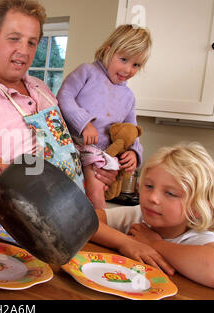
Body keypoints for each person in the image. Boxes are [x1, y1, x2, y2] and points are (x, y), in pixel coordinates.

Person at [0, 0, 116, 205]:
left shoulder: (43, 90)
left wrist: (97, 171)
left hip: (77, 206)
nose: (24, 51)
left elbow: (64, 150)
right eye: (14, 39)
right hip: (18, 223)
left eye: (31, 43)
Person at [91, 143, 214, 288]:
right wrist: (127, 242)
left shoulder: (199, 238)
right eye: (149, 186)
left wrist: (155, 244)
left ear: (197, 209)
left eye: (170, 193)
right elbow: (82, 221)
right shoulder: (136, 215)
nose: (153, 198)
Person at [57, 24, 152, 209]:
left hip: (98, 154)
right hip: (70, 143)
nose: (128, 69)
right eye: (123, 59)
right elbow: (64, 96)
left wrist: (134, 152)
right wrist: (84, 123)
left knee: (95, 190)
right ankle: (102, 228)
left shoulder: (129, 97)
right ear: (109, 51)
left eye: (136, 65)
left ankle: (101, 226)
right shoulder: (87, 72)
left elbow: (131, 129)